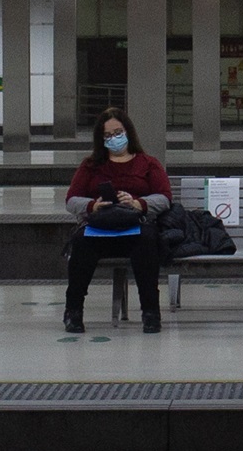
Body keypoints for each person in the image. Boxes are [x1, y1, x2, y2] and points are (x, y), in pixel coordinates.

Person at [61, 104, 171, 334]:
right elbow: (72, 200)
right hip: (100, 227)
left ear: (128, 133)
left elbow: (165, 198)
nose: (114, 139)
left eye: (118, 133)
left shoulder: (148, 163)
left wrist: (138, 203)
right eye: (108, 135)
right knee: (81, 244)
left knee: (147, 242)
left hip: (135, 226)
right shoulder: (91, 166)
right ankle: (73, 311)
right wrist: (93, 205)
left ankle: (150, 312)